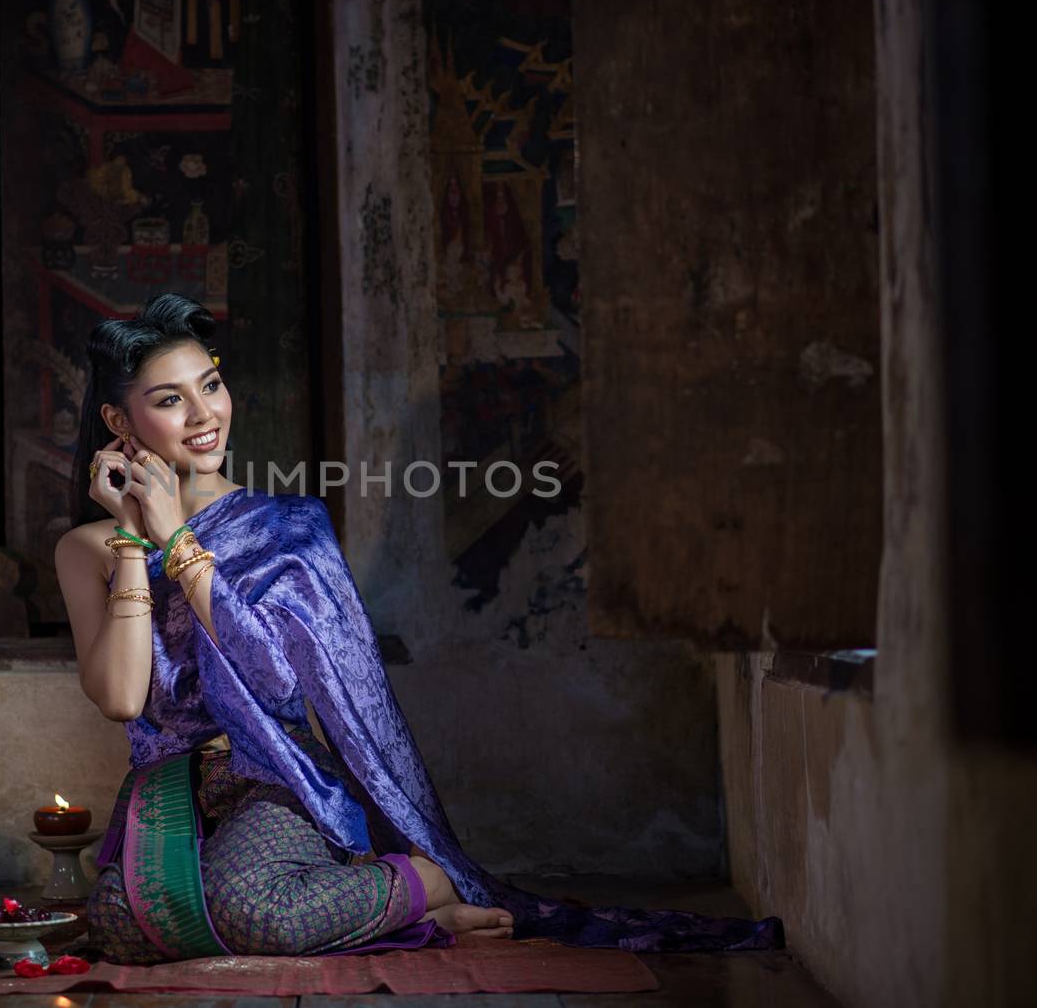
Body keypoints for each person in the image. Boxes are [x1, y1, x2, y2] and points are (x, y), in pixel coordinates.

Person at [55, 292, 784, 962]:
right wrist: (131, 538)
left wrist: (180, 546)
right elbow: (123, 698)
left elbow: (277, 678)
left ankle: (428, 883)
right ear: (120, 424)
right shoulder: (87, 549)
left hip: (274, 776)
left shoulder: (290, 527)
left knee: (256, 914)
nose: (204, 414)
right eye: (169, 401)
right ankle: (388, 909)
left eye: (209, 385)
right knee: (121, 929)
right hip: (169, 787)